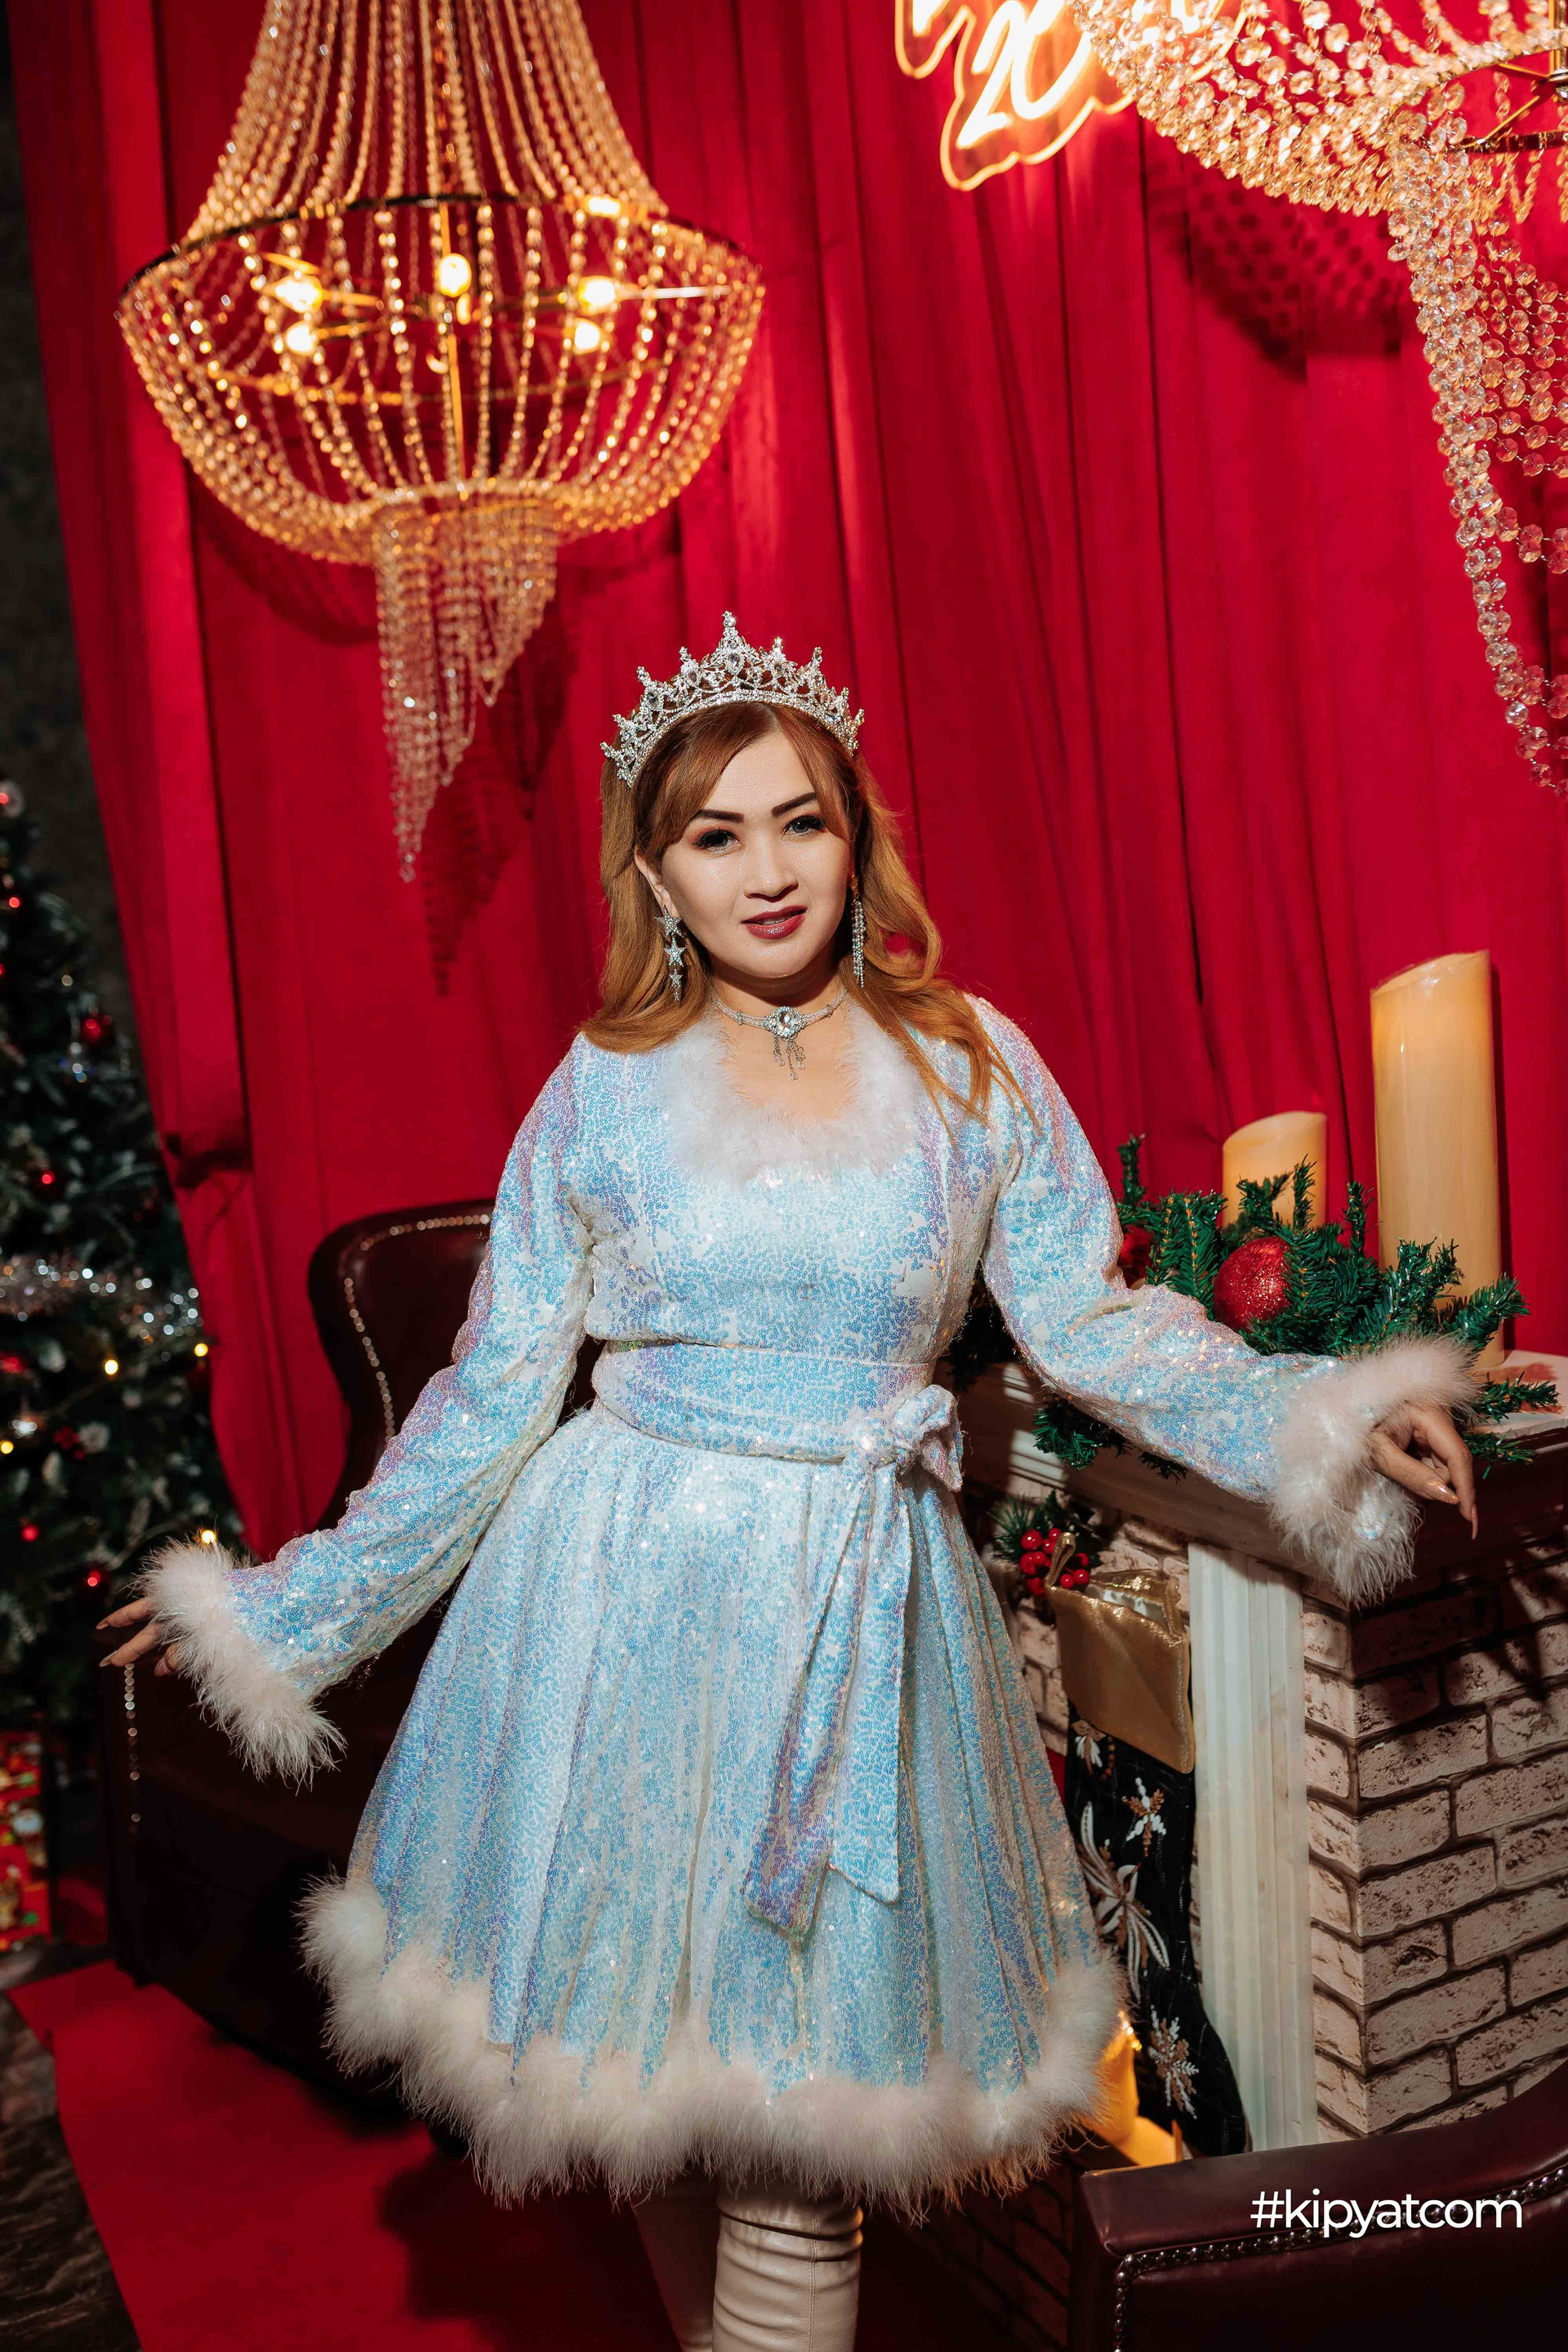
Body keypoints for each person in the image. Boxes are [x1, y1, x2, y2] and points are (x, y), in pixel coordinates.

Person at [101, 616, 1477, 2352]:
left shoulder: (968, 1057)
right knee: (651, 2088)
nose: (767, 870)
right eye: (716, 833)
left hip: (856, 1612)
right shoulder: (602, 1087)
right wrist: (283, 1608)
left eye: (800, 821)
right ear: (658, 874)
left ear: (855, 833)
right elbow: (492, 1391)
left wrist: (1325, 1414)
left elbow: (1092, 1321)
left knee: (802, 2156)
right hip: (620, 1604)